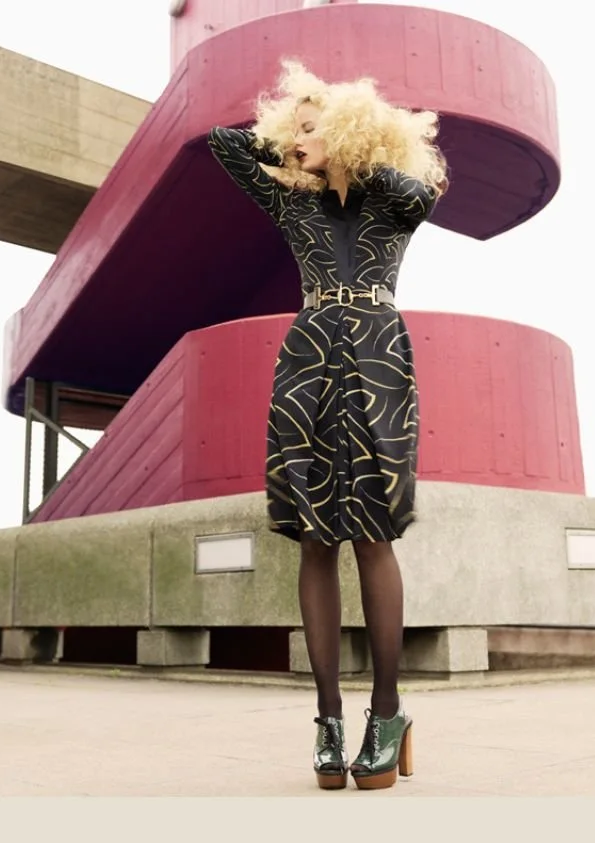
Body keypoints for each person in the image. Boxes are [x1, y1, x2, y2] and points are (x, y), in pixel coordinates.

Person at [208, 62, 447, 791]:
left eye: (312, 129)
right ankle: (328, 720)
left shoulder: (395, 199)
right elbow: (224, 143)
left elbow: (418, 188)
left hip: (376, 358)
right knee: (315, 538)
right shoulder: (293, 207)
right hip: (308, 359)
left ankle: (387, 714)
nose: (297, 139)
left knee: (372, 535)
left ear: (350, 131)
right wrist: (293, 140)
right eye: (294, 130)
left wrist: (350, 146)